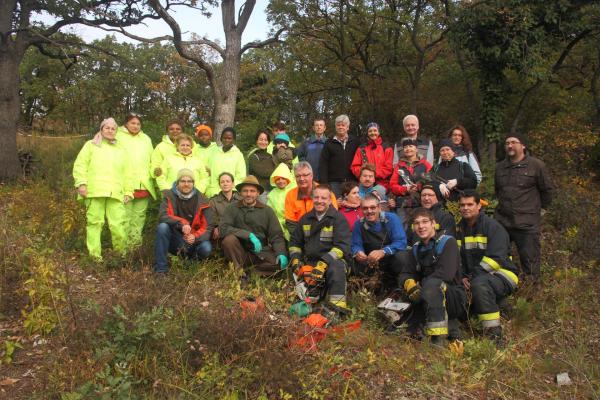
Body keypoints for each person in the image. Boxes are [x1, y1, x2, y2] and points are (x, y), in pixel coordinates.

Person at [457, 190, 519, 345]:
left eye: (470, 204)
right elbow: (457, 258)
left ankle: (494, 336)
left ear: (479, 205)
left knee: (480, 285)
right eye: (462, 205)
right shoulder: (459, 229)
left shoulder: (493, 227)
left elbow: (495, 260)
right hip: (476, 276)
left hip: (503, 274)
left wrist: (471, 277)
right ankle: (501, 307)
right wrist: (461, 276)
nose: (465, 208)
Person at [398, 207, 466, 345]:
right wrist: (410, 285)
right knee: (401, 324)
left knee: (432, 285)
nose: (421, 226)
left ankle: (437, 340)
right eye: (417, 223)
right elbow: (405, 273)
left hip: (453, 298)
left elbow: (446, 274)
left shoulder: (448, 242)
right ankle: (447, 329)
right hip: (427, 296)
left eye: (425, 222)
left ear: (433, 223)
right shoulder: (416, 248)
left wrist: (421, 286)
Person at [495, 133, 554, 282]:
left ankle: (531, 295)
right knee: (499, 259)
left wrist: (540, 210)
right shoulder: (500, 167)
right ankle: (504, 288)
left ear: (523, 145)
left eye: (513, 142)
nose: (509, 145)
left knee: (531, 263)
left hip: (527, 223)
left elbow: (547, 190)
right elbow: (498, 191)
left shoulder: (536, 165)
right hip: (503, 222)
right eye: (507, 143)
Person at [72, 118, 131, 260]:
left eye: (113, 129)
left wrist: (128, 191)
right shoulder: (90, 145)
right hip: (94, 191)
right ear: (101, 129)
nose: (110, 131)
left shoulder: (121, 149)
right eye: (107, 128)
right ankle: (95, 257)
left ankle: (120, 256)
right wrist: (81, 183)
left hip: (116, 192)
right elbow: (80, 165)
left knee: (118, 225)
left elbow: (128, 172)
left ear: (116, 131)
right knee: (94, 224)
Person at [289, 185, 352, 314]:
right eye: (316, 197)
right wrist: (295, 260)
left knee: (336, 268)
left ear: (330, 200)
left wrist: (323, 263)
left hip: (333, 262)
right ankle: (308, 303)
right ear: (312, 198)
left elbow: (342, 247)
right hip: (310, 261)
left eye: (324, 198)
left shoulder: (338, 219)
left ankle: (337, 308)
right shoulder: (305, 219)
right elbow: (295, 243)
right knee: (297, 279)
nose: (319, 201)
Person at [219, 176, 288, 277]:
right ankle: (240, 273)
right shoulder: (232, 208)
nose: (248, 194)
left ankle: (249, 272)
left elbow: (276, 235)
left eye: (252, 191)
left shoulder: (267, 211)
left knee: (280, 265)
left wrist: (281, 253)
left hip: (261, 252)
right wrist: (247, 235)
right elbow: (223, 228)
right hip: (239, 251)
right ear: (240, 193)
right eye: (245, 191)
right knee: (229, 240)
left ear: (258, 193)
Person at [154, 169, 215, 273]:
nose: (186, 184)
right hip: (176, 239)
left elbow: (208, 227)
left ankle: (189, 264)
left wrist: (194, 237)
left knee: (206, 248)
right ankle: (161, 269)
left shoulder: (203, 199)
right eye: (183, 181)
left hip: (194, 241)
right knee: (162, 227)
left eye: (189, 181)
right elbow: (163, 216)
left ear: (193, 183)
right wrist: (182, 223)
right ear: (177, 183)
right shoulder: (168, 196)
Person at [351, 195, 411, 292]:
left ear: (379, 208)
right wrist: (358, 252)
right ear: (361, 210)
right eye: (365, 208)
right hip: (371, 261)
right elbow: (356, 244)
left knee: (402, 257)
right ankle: (367, 287)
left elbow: (401, 242)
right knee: (352, 260)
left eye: (373, 207)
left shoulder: (392, 218)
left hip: (391, 258)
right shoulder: (359, 224)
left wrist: (383, 251)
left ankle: (402, 286)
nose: (369, 211)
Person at [115, 113, 156, 248]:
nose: (135, 126)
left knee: (138, 219)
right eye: (133, 123)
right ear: (126, 123)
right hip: (124, 185)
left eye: (138, 124)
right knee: (124, 218)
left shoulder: (146, 139)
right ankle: (122, 250)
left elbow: (152, 160)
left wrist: (154, 173)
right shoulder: (117, 135)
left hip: (143, 185)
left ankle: (134, 248)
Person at [284, 161, 338, 234]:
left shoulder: (327, 193)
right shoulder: (290, 195)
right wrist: (303, 237)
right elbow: (290, 223)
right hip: (300, 236)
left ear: (312, 175)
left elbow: (332, 218)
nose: (301, 179)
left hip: (324, 235)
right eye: (298, 176)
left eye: (305, 175)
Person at [390, 138, 432, 220]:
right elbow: (392, 185)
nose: (408, 149)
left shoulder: (425, 164)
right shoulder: (398, 166)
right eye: (405, 147)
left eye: (411, 146)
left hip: (421, 204)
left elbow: (431, 181)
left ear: (416, 149)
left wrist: (419, 187)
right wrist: (406, 189)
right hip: (403, 205)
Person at [319, 114, 360, 198]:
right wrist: (325, 184)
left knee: (352, 205)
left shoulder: (355, 142)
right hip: (334, 183)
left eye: (343, 125)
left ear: (347, 127)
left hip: (352, 182)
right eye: (338, 125)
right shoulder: (329, 143)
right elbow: (323, 164)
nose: (340, 127)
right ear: (335, 127)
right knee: (335, 206)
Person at [350, 122, 393, 190]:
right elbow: (354, 167)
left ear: (378, 132)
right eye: (370, 131)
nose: (373, 133)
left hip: (382, 184)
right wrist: (365, 175)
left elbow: (389, 168)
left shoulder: (387, 148)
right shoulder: (361, 149)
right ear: (367, 133)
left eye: (375, 130)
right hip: (364, 184)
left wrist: (373, 174)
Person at [205, 127, 246, 197]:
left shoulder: (238, 155)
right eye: (224, 138)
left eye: (229, 138)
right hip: (213, 192)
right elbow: (207, 171)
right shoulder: (214, 152)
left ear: (234, 140)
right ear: (221, 139)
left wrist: (231, 189)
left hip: (230, 194)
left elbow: (241, 177)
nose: (227, 140)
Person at [267, 163, 296, 240]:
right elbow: (270, 213)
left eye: (283, 178)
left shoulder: (295, 190)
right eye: (278, 179)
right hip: (278, 227)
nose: (280, 181)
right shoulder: (272, 194)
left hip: (294, 225)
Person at [209, 172, 241, 241]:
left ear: (233, 184)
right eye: (222, 182)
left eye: (228, 181)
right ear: (219, 185)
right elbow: (212, 219)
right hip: (223, 233)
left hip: (240, 231)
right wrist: (216, 227)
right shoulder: (213, 201)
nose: (225, 184)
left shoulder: (241, 199)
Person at [248, 129, 276, 197]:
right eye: (261, 139)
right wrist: (275, 170)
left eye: (265, 140)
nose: (263, 142)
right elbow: (264, 173)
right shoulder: (253, 156)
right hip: (260, 192)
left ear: (268, 142)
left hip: (273, 191)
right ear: (256, 141)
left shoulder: (271, 156)